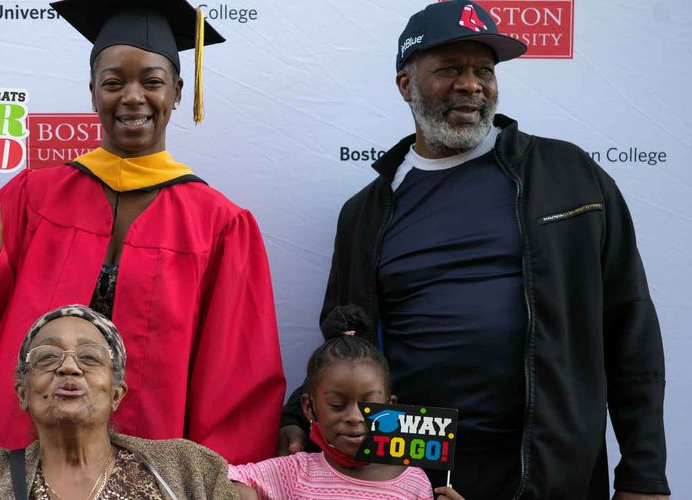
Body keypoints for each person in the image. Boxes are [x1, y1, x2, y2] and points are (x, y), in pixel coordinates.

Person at [277, 2, 668, 498]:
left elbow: (630, 327)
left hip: (551, 465)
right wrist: (298, 412)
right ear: (406, 86)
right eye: (450, 70)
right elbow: (346, 341)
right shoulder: (366, 212)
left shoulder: (569, 175)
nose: (471, 84)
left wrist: (644, 473)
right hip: (418, 472)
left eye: (483, 70)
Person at [0, 0, 285, 465]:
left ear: (177, 91)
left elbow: (235, 378)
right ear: (92, 93)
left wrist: (207, 479)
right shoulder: (33, 195)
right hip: (27, 450)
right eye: (114, 83)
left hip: (150, 461)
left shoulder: (219, 224)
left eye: (152, 81)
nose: (133, 97)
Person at [0, 305, 236, 499]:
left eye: (89, 358)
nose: (68, 367)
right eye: (48, 357)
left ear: (116, 394)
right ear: (23, 393)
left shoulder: (188, 469)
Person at [232, 307, 461, 500]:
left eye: (368, 403)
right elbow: (220, 479)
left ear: (390, 405)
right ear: (309, 407)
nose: (354, 416)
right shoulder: (294, 472)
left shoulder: (414, 483)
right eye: (337, 405)